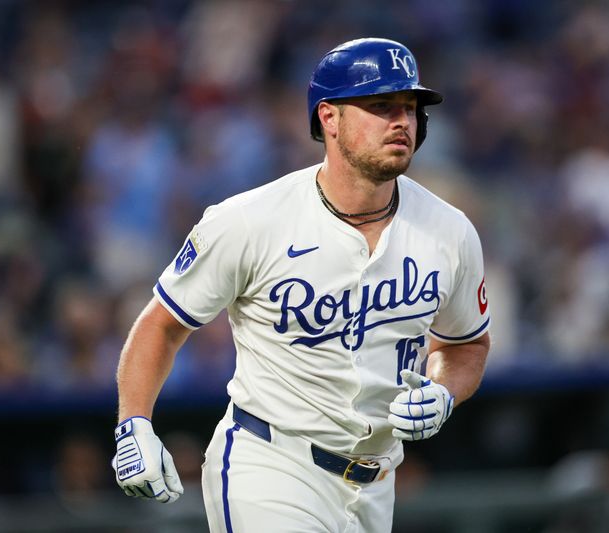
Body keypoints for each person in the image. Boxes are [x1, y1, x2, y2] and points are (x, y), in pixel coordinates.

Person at [111, 37, 491, 533]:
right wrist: (133, 422)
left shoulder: (450, 230)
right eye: (381, 105)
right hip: (271, 466)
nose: (402, 121)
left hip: (377, 485)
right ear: (329, 118)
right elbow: (162, 324)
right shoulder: (251, 220)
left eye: (411, 107)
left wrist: (442, 391)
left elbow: (467, 344)